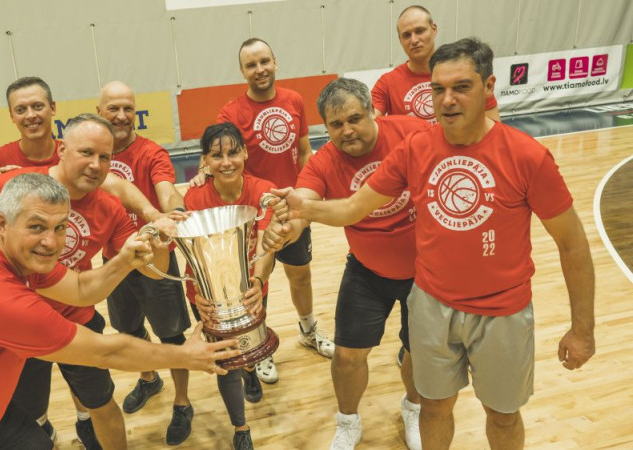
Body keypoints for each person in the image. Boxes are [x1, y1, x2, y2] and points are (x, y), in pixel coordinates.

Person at [272, 38, 595, 450]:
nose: (448, 99)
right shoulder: (416, 149)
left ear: (488, 86)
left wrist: (582, 329)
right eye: (437, 89)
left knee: (502, 415)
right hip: (431, 303)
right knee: (434, 407)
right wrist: (300, 209)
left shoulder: (527, 156)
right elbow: (354, 207)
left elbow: (572, 244)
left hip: (502, 312)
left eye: (461, 86)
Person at [0, 172, 239, 449]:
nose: (51, 242)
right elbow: (104, 350)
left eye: (60, 227)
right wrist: (188, 356)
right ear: (2, 223)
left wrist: (124, 261)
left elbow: (80, 288)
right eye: (36, 227)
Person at [0, 114, 174, 449]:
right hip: (16, 327)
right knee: (27, 415)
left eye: (105, 157)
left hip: (75, 320)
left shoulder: (109, 207)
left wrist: (158, 238)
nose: (96, 164)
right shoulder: (11, 189)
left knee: (102, 405)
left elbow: (150, 270)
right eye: (86, 153)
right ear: (62, 150)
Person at [263, 78, 428, 449]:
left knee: (419, 352)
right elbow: (302, 203)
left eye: (355, 118)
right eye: (336, 125)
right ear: (326, 127)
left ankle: (414, 408)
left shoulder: (412, 132)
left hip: (426, 273)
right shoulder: (324, 162)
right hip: (367, 273)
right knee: (348, 356)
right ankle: (348, 422)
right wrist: (285, 228)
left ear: (373, 111)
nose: (347, 130)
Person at [192, 37, 333, 385]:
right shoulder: (232, 112)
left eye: (264, 61)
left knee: (300, 275)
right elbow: (220, 148)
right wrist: (201, 171)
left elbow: (303, 152)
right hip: (254, 210)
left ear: (275, 62)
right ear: (242, 71)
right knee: (257, 284)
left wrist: (306, 198)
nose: (260, 69)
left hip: (292, 209)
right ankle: (262, 346)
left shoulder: (294, 100)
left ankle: (308, 328)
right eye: (251, 65)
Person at [95, 81, 195, 445]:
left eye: (128, 109)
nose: (121, 116)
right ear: (100, 112)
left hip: (156, 260)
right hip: (114, 262)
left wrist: (175, 209)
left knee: (171, 335)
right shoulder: (93, 155)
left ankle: (182, 402)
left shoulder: (151, 152)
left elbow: (166, 188)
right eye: (113, 109)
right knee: (127, 330)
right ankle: (150, 379)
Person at [0, 76, 162, 228]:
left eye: (37, 106)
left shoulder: (74, 154)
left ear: (52, 108)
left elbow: (117, 185)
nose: (31, 115)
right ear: (12, 116)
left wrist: (153, 215)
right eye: (21, 110)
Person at [185, 122, 277, 450]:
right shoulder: (195, 195)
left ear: (245, 153)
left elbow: (267, 245)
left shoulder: (263, 189)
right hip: (209, 296)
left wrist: (258, 280)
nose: (226, 162)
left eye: (233, 152)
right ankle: (241, 428)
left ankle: (252, 368)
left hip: (251, 286)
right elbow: (191, 253)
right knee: (225, 362)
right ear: (205, 161)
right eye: (216, 155)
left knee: (249, 346)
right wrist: (197, 295)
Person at [372, 5, 500, 124]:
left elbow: (494, 127)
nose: (414, 40)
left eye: (420, 31)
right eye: (406, 35)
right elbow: (369, 121)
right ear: (400, 40)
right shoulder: (387, 83)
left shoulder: (466, 74)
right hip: (412, 148)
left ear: (434, 30)